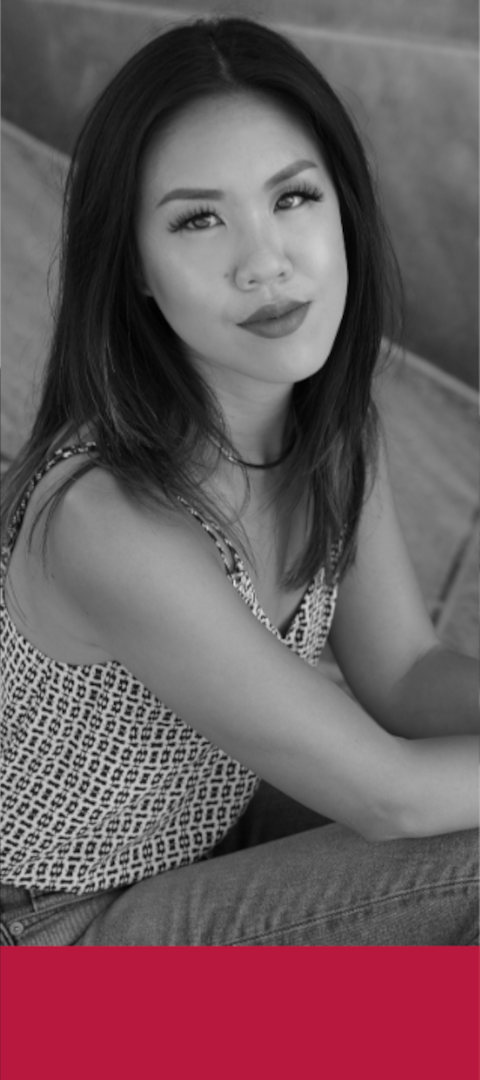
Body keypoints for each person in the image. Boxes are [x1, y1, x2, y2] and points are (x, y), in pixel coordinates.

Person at [1, 16, 478, 947]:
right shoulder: (107, 518)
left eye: (292, 197)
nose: (265, 263)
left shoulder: (334, 430)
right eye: (198, 219)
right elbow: (392, 796)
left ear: (343, 207)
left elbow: (405, 674)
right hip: (51, 943)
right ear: (136, 268)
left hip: (197, 852)